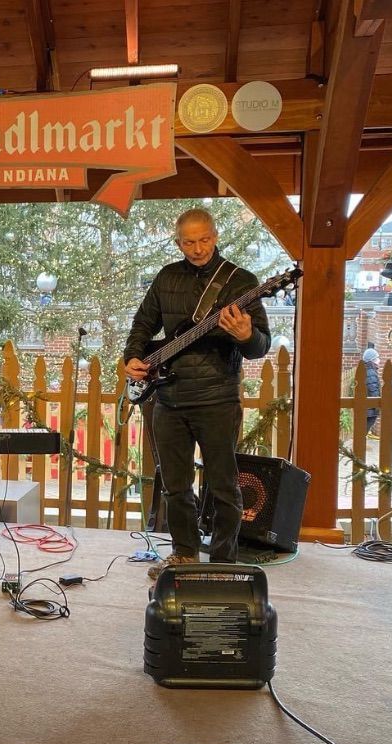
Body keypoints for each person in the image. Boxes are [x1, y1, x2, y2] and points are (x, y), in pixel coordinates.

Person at [123, 208, 271, 573]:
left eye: (204, 239)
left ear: (216, 236)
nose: (198, 248)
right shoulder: (166, 277)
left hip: (217, 399)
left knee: (223, 488)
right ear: (178, 242)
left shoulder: (240, 281)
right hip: (167, 398)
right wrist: (132, 356)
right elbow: (143, 325)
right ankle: (184, 553)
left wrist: (246, 335)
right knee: (175, 486)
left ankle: (223, 562)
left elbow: (260, 346)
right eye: (189, 242)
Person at [361, 346, 381, 438]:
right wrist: (377, 404)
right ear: (372, 360)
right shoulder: (370, 372)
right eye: (377, 358)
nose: (379, 360)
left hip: (368, 406)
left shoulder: (368, 370)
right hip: (370, 407)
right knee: (365, 428)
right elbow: (373, 389)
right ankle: (359, 445)